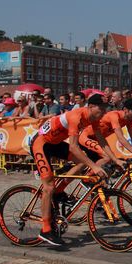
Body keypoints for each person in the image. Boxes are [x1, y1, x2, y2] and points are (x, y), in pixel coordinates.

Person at [30, 94, 117, 246]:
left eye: (106, 109)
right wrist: (95, 166)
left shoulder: (93, 118)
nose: (104, 112)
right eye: (101, 108)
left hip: (55, 143)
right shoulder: (75, 116)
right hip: (41, 144)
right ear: (90, 107)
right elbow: (74, 148)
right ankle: (45, 229)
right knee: (48, 186)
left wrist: (115, 159)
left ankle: (60, 190)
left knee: (82, 161)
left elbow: (102, 140)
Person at [79, 98, 132, 165]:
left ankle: (91, 175)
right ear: (125, 110)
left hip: (98, 140)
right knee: (108, 157)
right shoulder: (114, 116)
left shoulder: (129, 120)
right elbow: (121, 138)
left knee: (106, 161)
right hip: (86, 137)